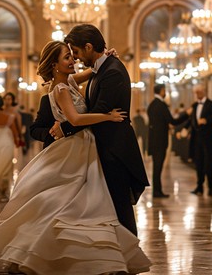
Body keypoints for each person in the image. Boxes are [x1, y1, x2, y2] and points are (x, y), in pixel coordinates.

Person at [0, 40, 151, 274]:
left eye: (73, 56)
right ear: (55, 65)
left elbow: (92, 70)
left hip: (83, 148)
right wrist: (107, 116)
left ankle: (73, 254)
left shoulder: (70, 81)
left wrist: (105, 57)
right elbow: (74, 120)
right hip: (72, 150)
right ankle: (47, 252)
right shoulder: (61, 89)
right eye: (67, 57)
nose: (73, 60)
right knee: (68, 200)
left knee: (82, 201)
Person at [54, 24, 148, 235]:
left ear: (88, 47)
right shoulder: (103, 68)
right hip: (104, 147)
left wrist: (65, 128)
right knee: (110, 207)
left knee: (120, 206)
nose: (76, 58)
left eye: (76, 52)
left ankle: (128, 256)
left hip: (115, 149)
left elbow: (100, 111)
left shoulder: (112, 72)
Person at [147, 83, 190, 198]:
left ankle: (157, 190)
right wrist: (186, 114)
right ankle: (157, 191)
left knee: (157, 167)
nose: (165, 92)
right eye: (164, 90)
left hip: (154, 140)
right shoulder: (161, 105)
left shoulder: (152, 105)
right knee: (158, 167)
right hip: (160, 141)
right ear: (161, 91)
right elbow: (173, 121)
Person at [188, 85, 212, 197]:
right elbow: (191, 120)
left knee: (209, 163)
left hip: (208, 139)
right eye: (196, 92)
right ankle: (199, 186)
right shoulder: (194, 105)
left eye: (200, 92)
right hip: (196, 139)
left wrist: (207, 120)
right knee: (198, 163)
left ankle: (210, 186)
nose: (198, 94)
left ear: (204, 92)